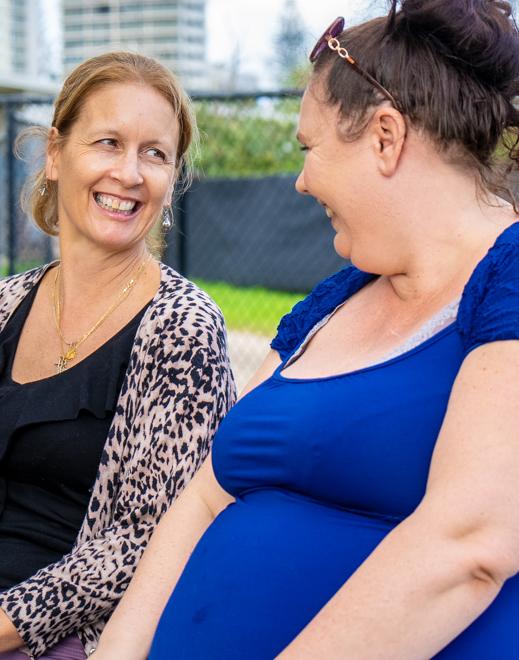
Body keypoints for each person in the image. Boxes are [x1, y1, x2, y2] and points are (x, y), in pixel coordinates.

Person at [91, 2, 519, 659]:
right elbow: (206, 494)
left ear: (385, 137)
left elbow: (467, 546)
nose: (300, 180)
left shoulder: (508, 278)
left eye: (310, 148)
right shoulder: (336, 298)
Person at [0, 52, 236, 660]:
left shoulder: (184, 328)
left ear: (172, 182)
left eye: (154, 154)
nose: (130, 173)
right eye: (108, 142)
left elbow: (142, 543)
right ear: (56, 154)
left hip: (71, 640)